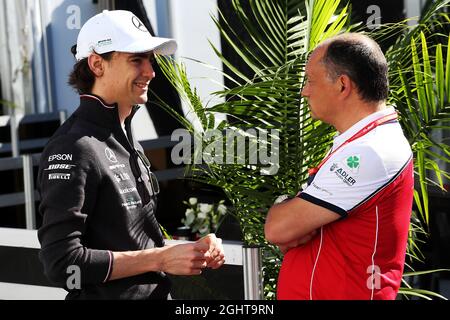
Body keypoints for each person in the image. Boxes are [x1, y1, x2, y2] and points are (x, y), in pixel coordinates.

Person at [37, 10, 225, 300]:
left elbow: (130, 239)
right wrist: (160, 259)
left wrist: (188, 250)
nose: (150, 71)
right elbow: (63, 265)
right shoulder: (74, 146)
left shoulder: (124, 134)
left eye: (150, 59)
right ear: (97, 64)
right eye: (137, 59)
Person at [264, 33, 414, 300]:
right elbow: (289, 228)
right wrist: (293, 211)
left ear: (343, 85)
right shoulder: (364, 139)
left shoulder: (371, 150)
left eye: (310, 81)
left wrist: (287, 208)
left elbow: (278, 228)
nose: (304, 91)